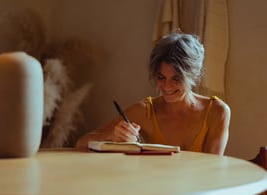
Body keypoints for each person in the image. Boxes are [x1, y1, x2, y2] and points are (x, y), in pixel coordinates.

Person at [76, 33, 231, 155]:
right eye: (160, 77)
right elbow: (81, 143)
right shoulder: (144, 111)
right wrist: (111, 137)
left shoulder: (217, 112)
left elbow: (213, 169)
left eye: (176, 79)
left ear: (194, 76)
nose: (166, 86)